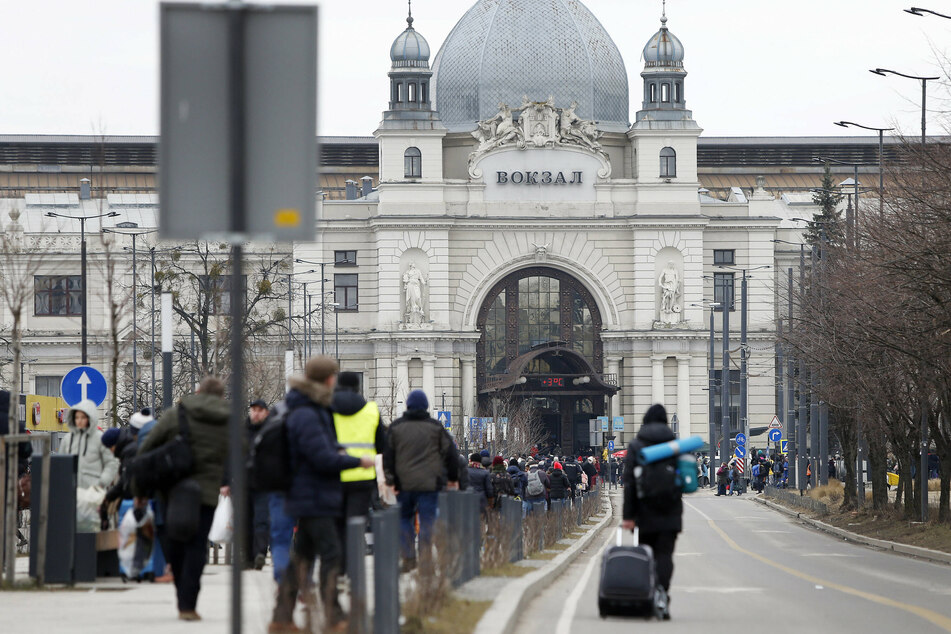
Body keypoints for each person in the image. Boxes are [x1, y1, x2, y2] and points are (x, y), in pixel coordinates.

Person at [270, 357, 375, 633]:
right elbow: (320, 457)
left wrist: (337, 450)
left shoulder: (311, 407)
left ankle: (282, 617)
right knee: (331, 553)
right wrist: (355, 461)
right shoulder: (307, 411)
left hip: (313, 493)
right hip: (313, 493)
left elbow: (320, 448)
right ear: (328, 379)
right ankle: (333, 614)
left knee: (301, 559)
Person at [134, 377, 230, 621]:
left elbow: (146, 451)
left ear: (197, 392)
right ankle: (189, 603)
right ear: (221, 397)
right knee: (197, 546)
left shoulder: (175, 415)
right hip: (207, 494)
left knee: (174, 542)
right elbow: (242, 455)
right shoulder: (227, 420)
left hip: (172, 490)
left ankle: (181, 595)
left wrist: (141, 491)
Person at [382, 389, 459, 573]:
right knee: (427, 521)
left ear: (407, 405)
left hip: (404, 483)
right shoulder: (436, 427)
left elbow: (388, 457)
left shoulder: (396, 427)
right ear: (426, 406)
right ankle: (425, 560)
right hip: (430, 484)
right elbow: (451, 454)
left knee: (403, 519)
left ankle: (408, 557)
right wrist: (453, 478)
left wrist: (391, 480)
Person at [622, 404, 682, 620]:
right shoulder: (675, 445)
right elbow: (684, 479)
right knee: (665, 555)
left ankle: (648, 595)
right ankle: (662, 593)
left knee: (646, 554)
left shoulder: (636, 445)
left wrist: (628, 516)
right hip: (671, 510)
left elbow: (629, 482)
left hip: (644, 511)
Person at [331, 371, 386, 572]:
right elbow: (382, 446)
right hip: (363, 477)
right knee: (356, 523)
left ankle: (338, 567)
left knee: (337, 524)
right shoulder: (371, 411)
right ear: (357, 386)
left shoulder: (327, 409)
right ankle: (353, 568)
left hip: (334, 475)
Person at [61, 400, 119, 490]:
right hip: (70, 491)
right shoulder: (67, 439)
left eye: (83, 417)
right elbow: (60, 463)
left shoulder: (100, 438)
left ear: (89, 418)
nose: (79, 421)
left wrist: (102, 483)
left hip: (94, 492)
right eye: (76, 417)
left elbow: (111, 463)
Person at [245, 399, 271, 570]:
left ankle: (260, 552)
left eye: (260, 410)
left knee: (261, 520)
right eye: (254, 410)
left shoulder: (271, 430)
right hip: (244, 483)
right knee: (245, 521)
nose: (256, 413)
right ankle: (248, 556)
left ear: (266, 413)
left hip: (264, 483)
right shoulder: (241, 431)